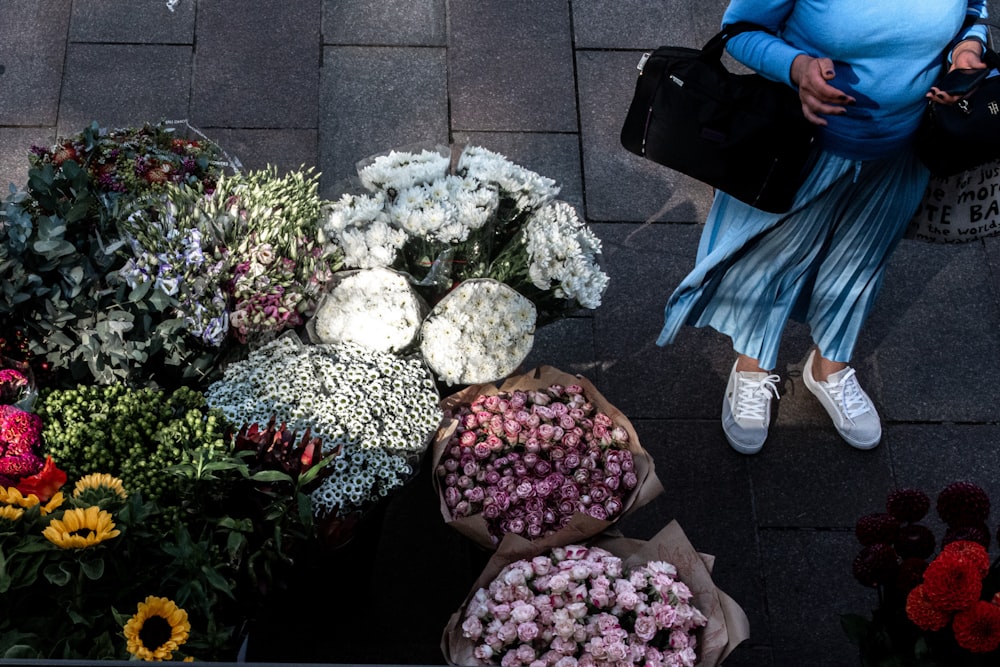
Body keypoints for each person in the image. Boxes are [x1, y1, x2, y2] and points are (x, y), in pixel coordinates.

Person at [655, 0, 989, 454]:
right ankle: (753, 367)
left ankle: (828, 368)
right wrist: (796, 68)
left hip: (901, 150)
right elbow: (741, 30)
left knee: (860, 267)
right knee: (767, 261)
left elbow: (973, 9)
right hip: (798, 147)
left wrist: (968, 48)